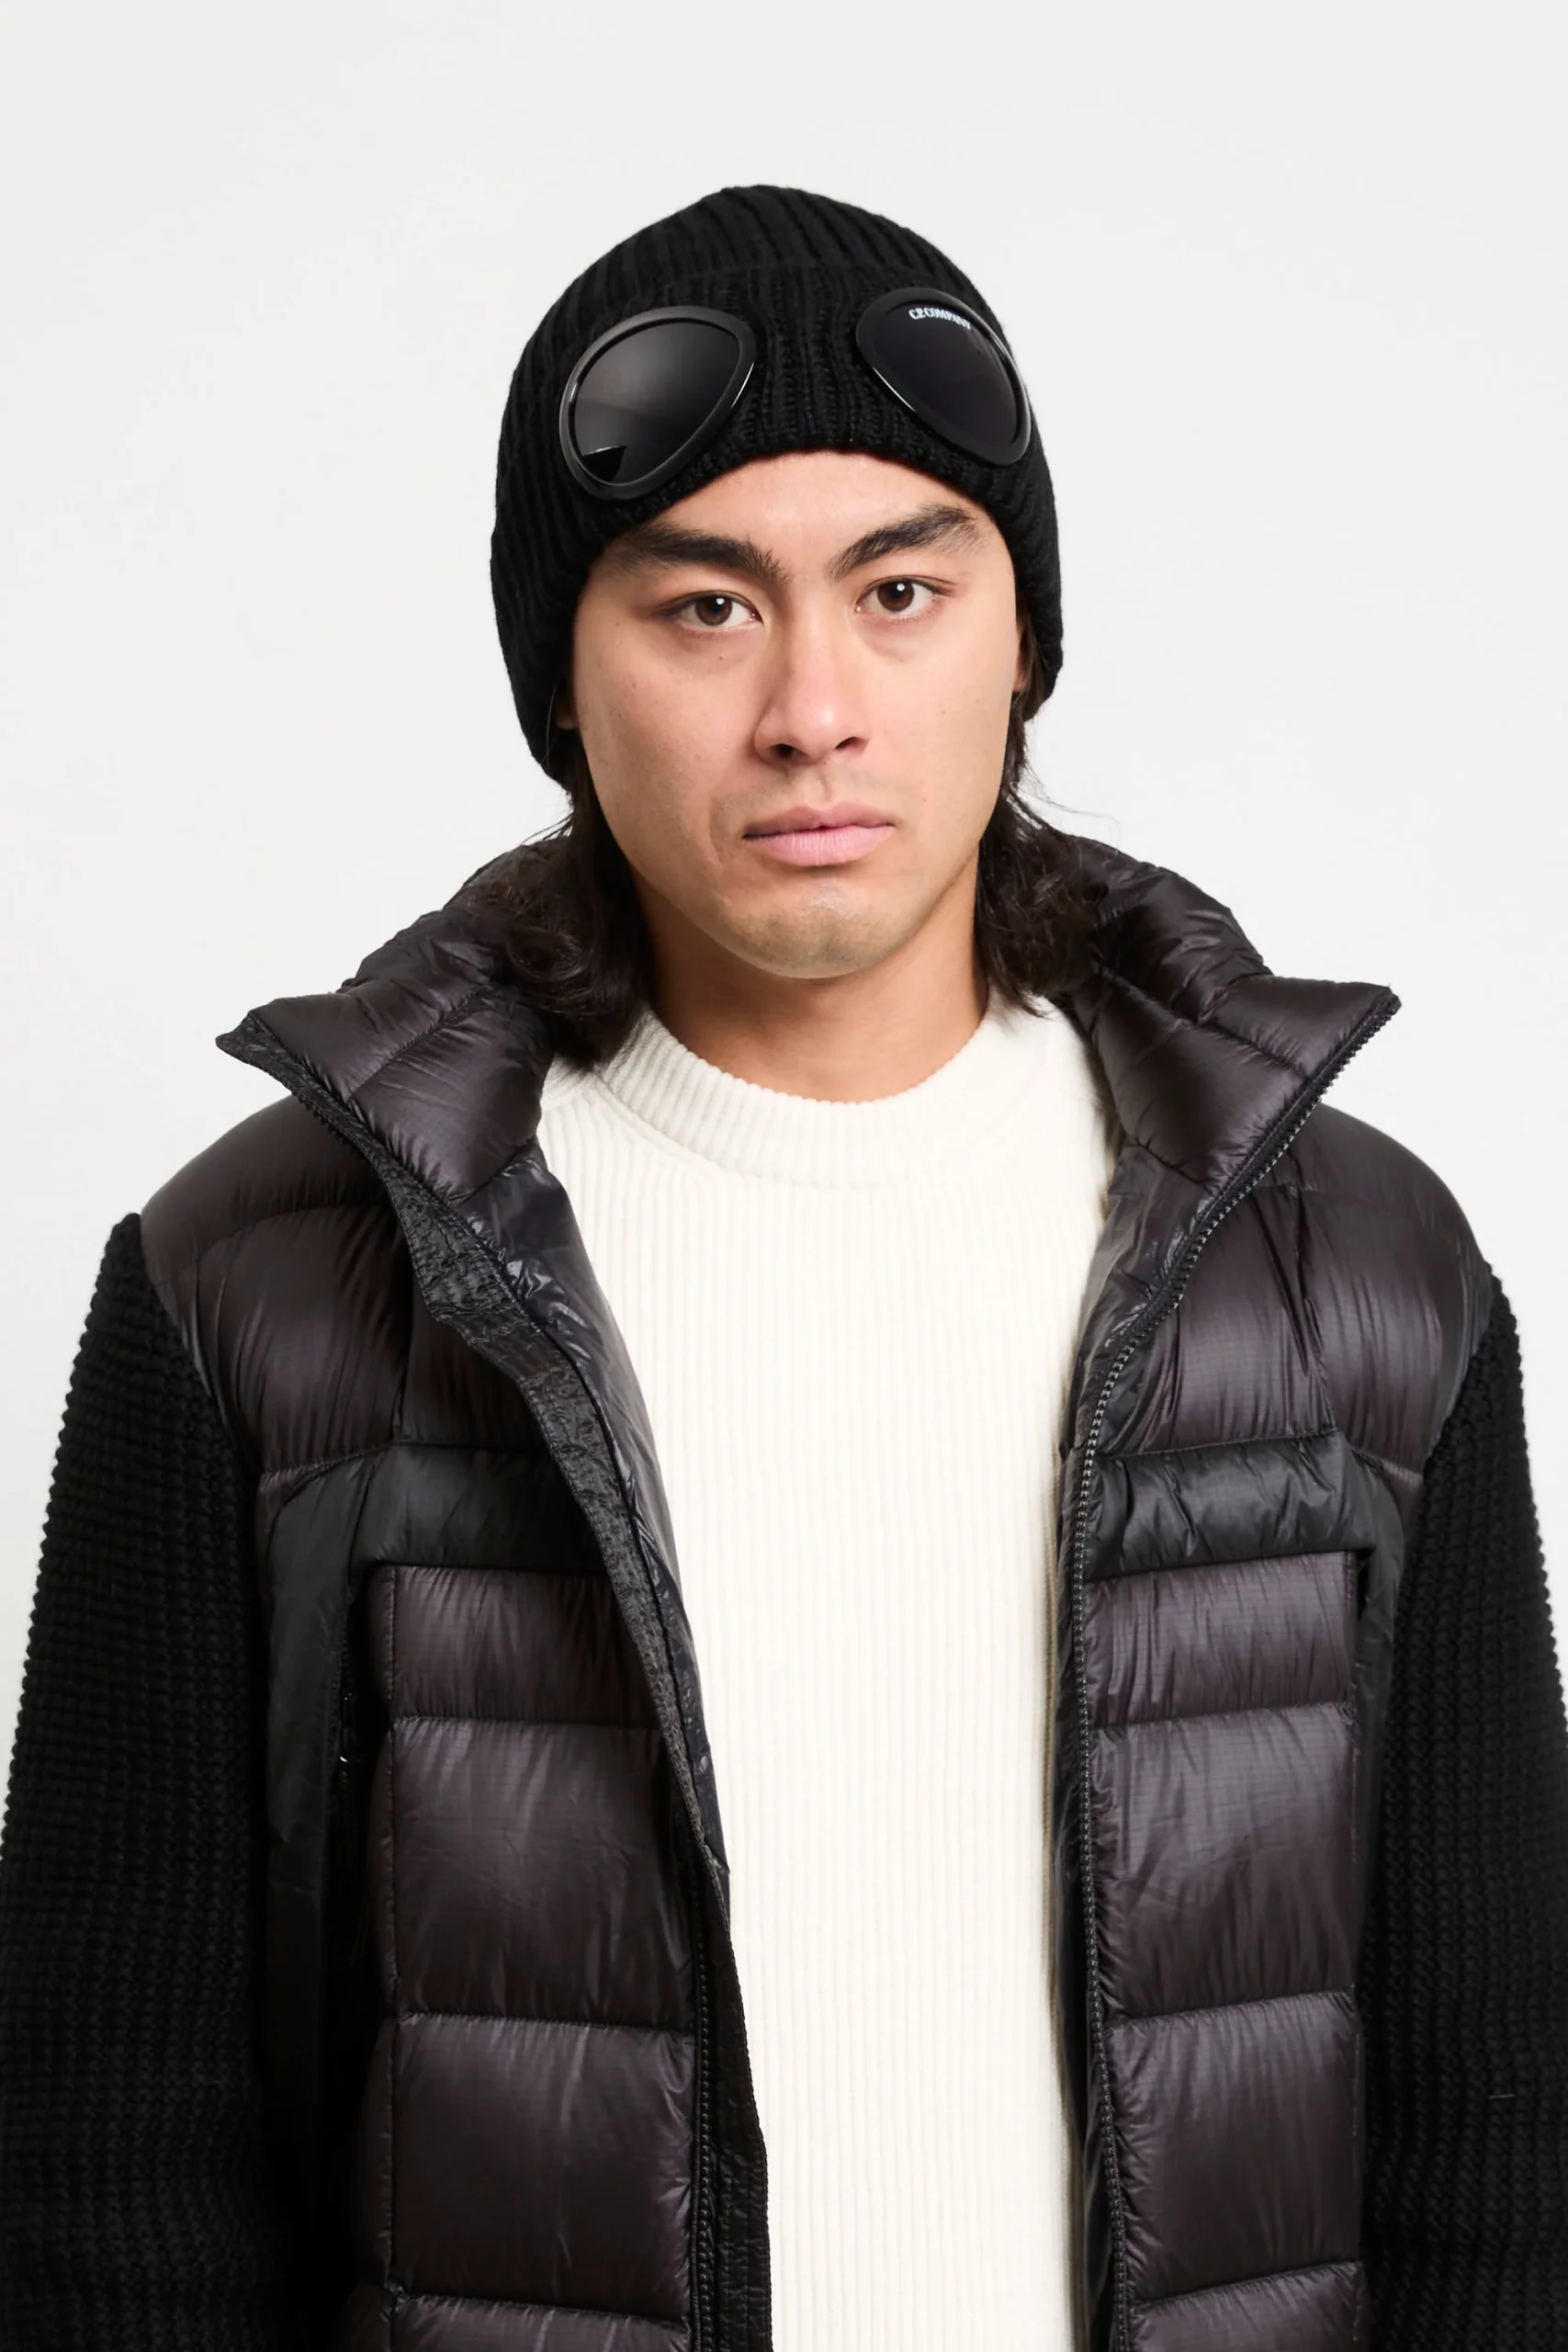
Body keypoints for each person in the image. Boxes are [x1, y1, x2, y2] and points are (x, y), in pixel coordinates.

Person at [1, 182, 1564, 2352]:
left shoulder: (1359, 1278)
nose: (813, 706)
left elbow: (1494, 2162)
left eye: (901, 589)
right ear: (564, 679)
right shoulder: (252, 1292)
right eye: (705, 606)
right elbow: (110, 2191)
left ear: (1021, 642)